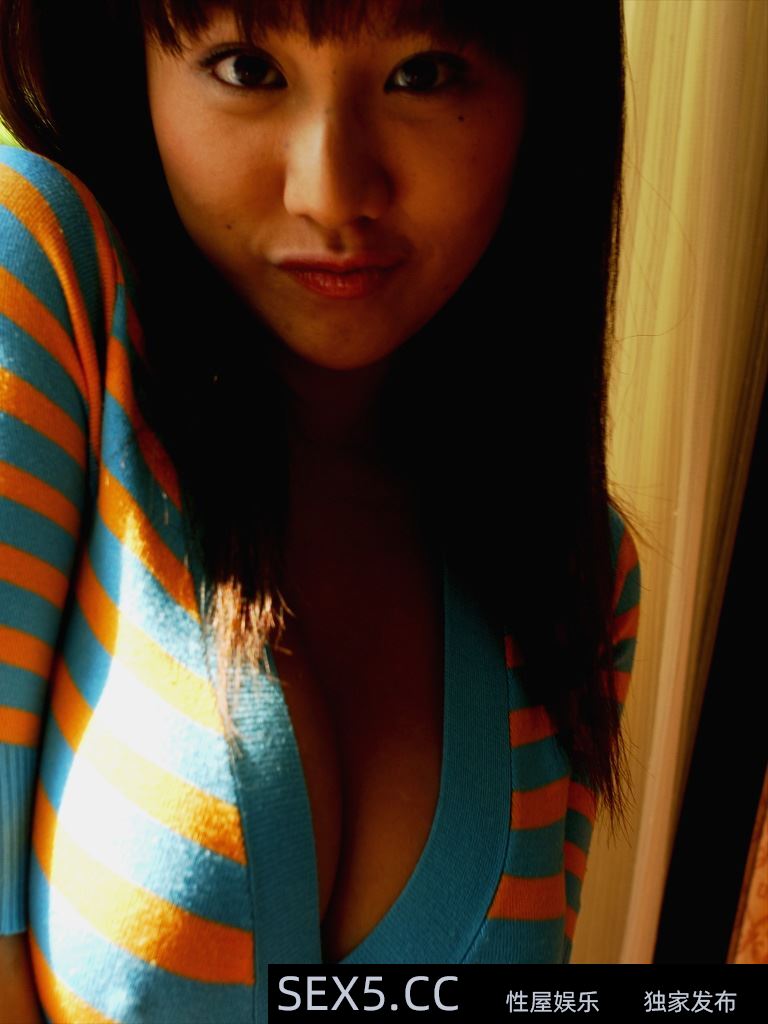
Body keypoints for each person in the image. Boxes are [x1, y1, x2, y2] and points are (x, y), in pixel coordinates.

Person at [0, 1, 640, 1021]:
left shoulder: (577, 576)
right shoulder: (44, 287)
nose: (331, 194)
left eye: (424, 73)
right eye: (246, 68)